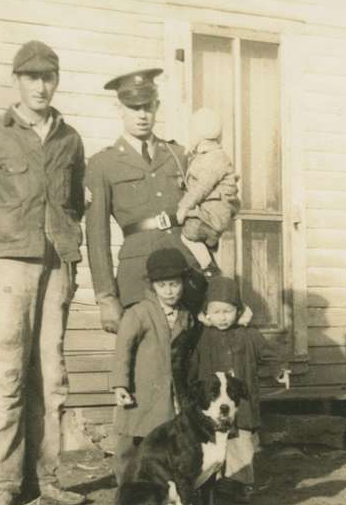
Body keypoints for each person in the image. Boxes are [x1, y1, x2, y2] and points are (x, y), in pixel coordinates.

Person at [0, 40, 87, 505]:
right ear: (16, 80)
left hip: (57, 265)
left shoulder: (70, 138)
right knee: (8, 375)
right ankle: (4, 481)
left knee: (51, 376)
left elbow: (73, 201)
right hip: (8, 267)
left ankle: (47, 477)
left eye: (48, 76)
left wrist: (69, 255)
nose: (41, 85)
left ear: (56, 80)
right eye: (31, 76)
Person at [85, 68, 233, 330]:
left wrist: (209, 231)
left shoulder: (179, 154)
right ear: (119, 109)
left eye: (147, 106)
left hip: (186, 271)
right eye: (133, 107)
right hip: (138, 277)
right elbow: (97, 238)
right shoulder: (103, 164)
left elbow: (219, 199)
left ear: (157, 106)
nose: (142, 115)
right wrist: (106, 297)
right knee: (147, 362)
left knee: (192, 361)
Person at [190, 276, 286, 503]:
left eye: (227, 311)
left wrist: (278, 369)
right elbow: (192, 366)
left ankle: (243, 483)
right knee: (215, 439)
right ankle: (217, 481)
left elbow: (268, 354)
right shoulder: (203, 338)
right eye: (216, 312)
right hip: (214, 404)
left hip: (241, 402)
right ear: (207, 313)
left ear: (238, 311)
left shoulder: (249, 335)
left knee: (241, 441)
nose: (222, 317)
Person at [110, 248, 197, 482]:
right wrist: (120, 385)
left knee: (164, 439)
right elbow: (123, 350)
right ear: (153, 286)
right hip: (141, 390)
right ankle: (127, 487)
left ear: (183, 284)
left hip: (169, 392)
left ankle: (161, 487)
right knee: (132, 440)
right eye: (163, 285)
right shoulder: (138, 313)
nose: (169, 291)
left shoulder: (185, 315)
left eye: (174, 284)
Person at [176, 107, 240, 250]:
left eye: (192, 132)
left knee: (189, 233)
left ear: (199, 135)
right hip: (208, 213)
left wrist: (183, 207)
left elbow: (201, 187)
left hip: (212, 215)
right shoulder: (203, 157)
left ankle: (209, 267)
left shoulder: (214, 157)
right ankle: (207, 262)